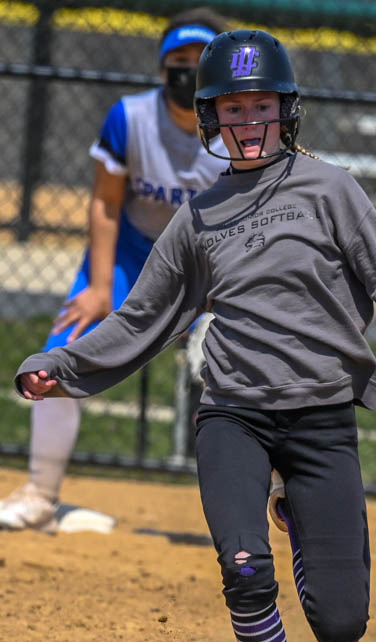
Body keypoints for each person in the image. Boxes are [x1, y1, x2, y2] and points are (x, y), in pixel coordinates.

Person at [14, 29, 376, 642]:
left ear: (287, 110)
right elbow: (141, 320)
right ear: (210, 118)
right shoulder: (199, 217)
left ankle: (295, 510)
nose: (247, 121)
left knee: (341, 623)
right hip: (232, 411)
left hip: (320, 417)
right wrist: (61, 367)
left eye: (261, 105)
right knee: (243, 570)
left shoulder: (332, 188)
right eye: (231, 108)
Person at [0, 7, 231, 533]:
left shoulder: (236, 132)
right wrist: (101, 288)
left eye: (200, 62)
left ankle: (271, 502)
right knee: (64, 344)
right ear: (159, 68)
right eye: (177, 60)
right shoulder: (130, 118)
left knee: (248, 365)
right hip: (133, 254)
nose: (186, 70)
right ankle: (40, 494)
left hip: (209, 264)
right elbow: (106, 203)